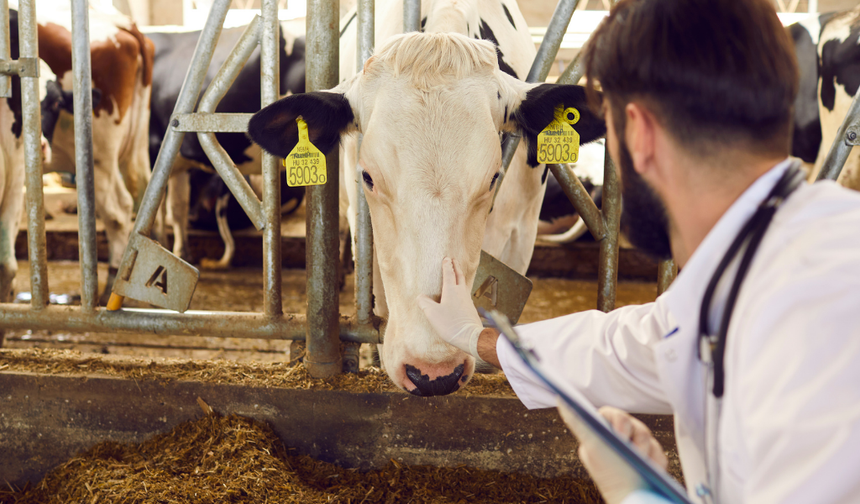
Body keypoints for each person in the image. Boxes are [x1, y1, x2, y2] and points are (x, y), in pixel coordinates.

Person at [417, 0, 860, 503]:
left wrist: (639, 498)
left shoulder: (822, 307)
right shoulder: (767, 259)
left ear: (640, 133)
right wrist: (479, 339)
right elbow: (633, 347)